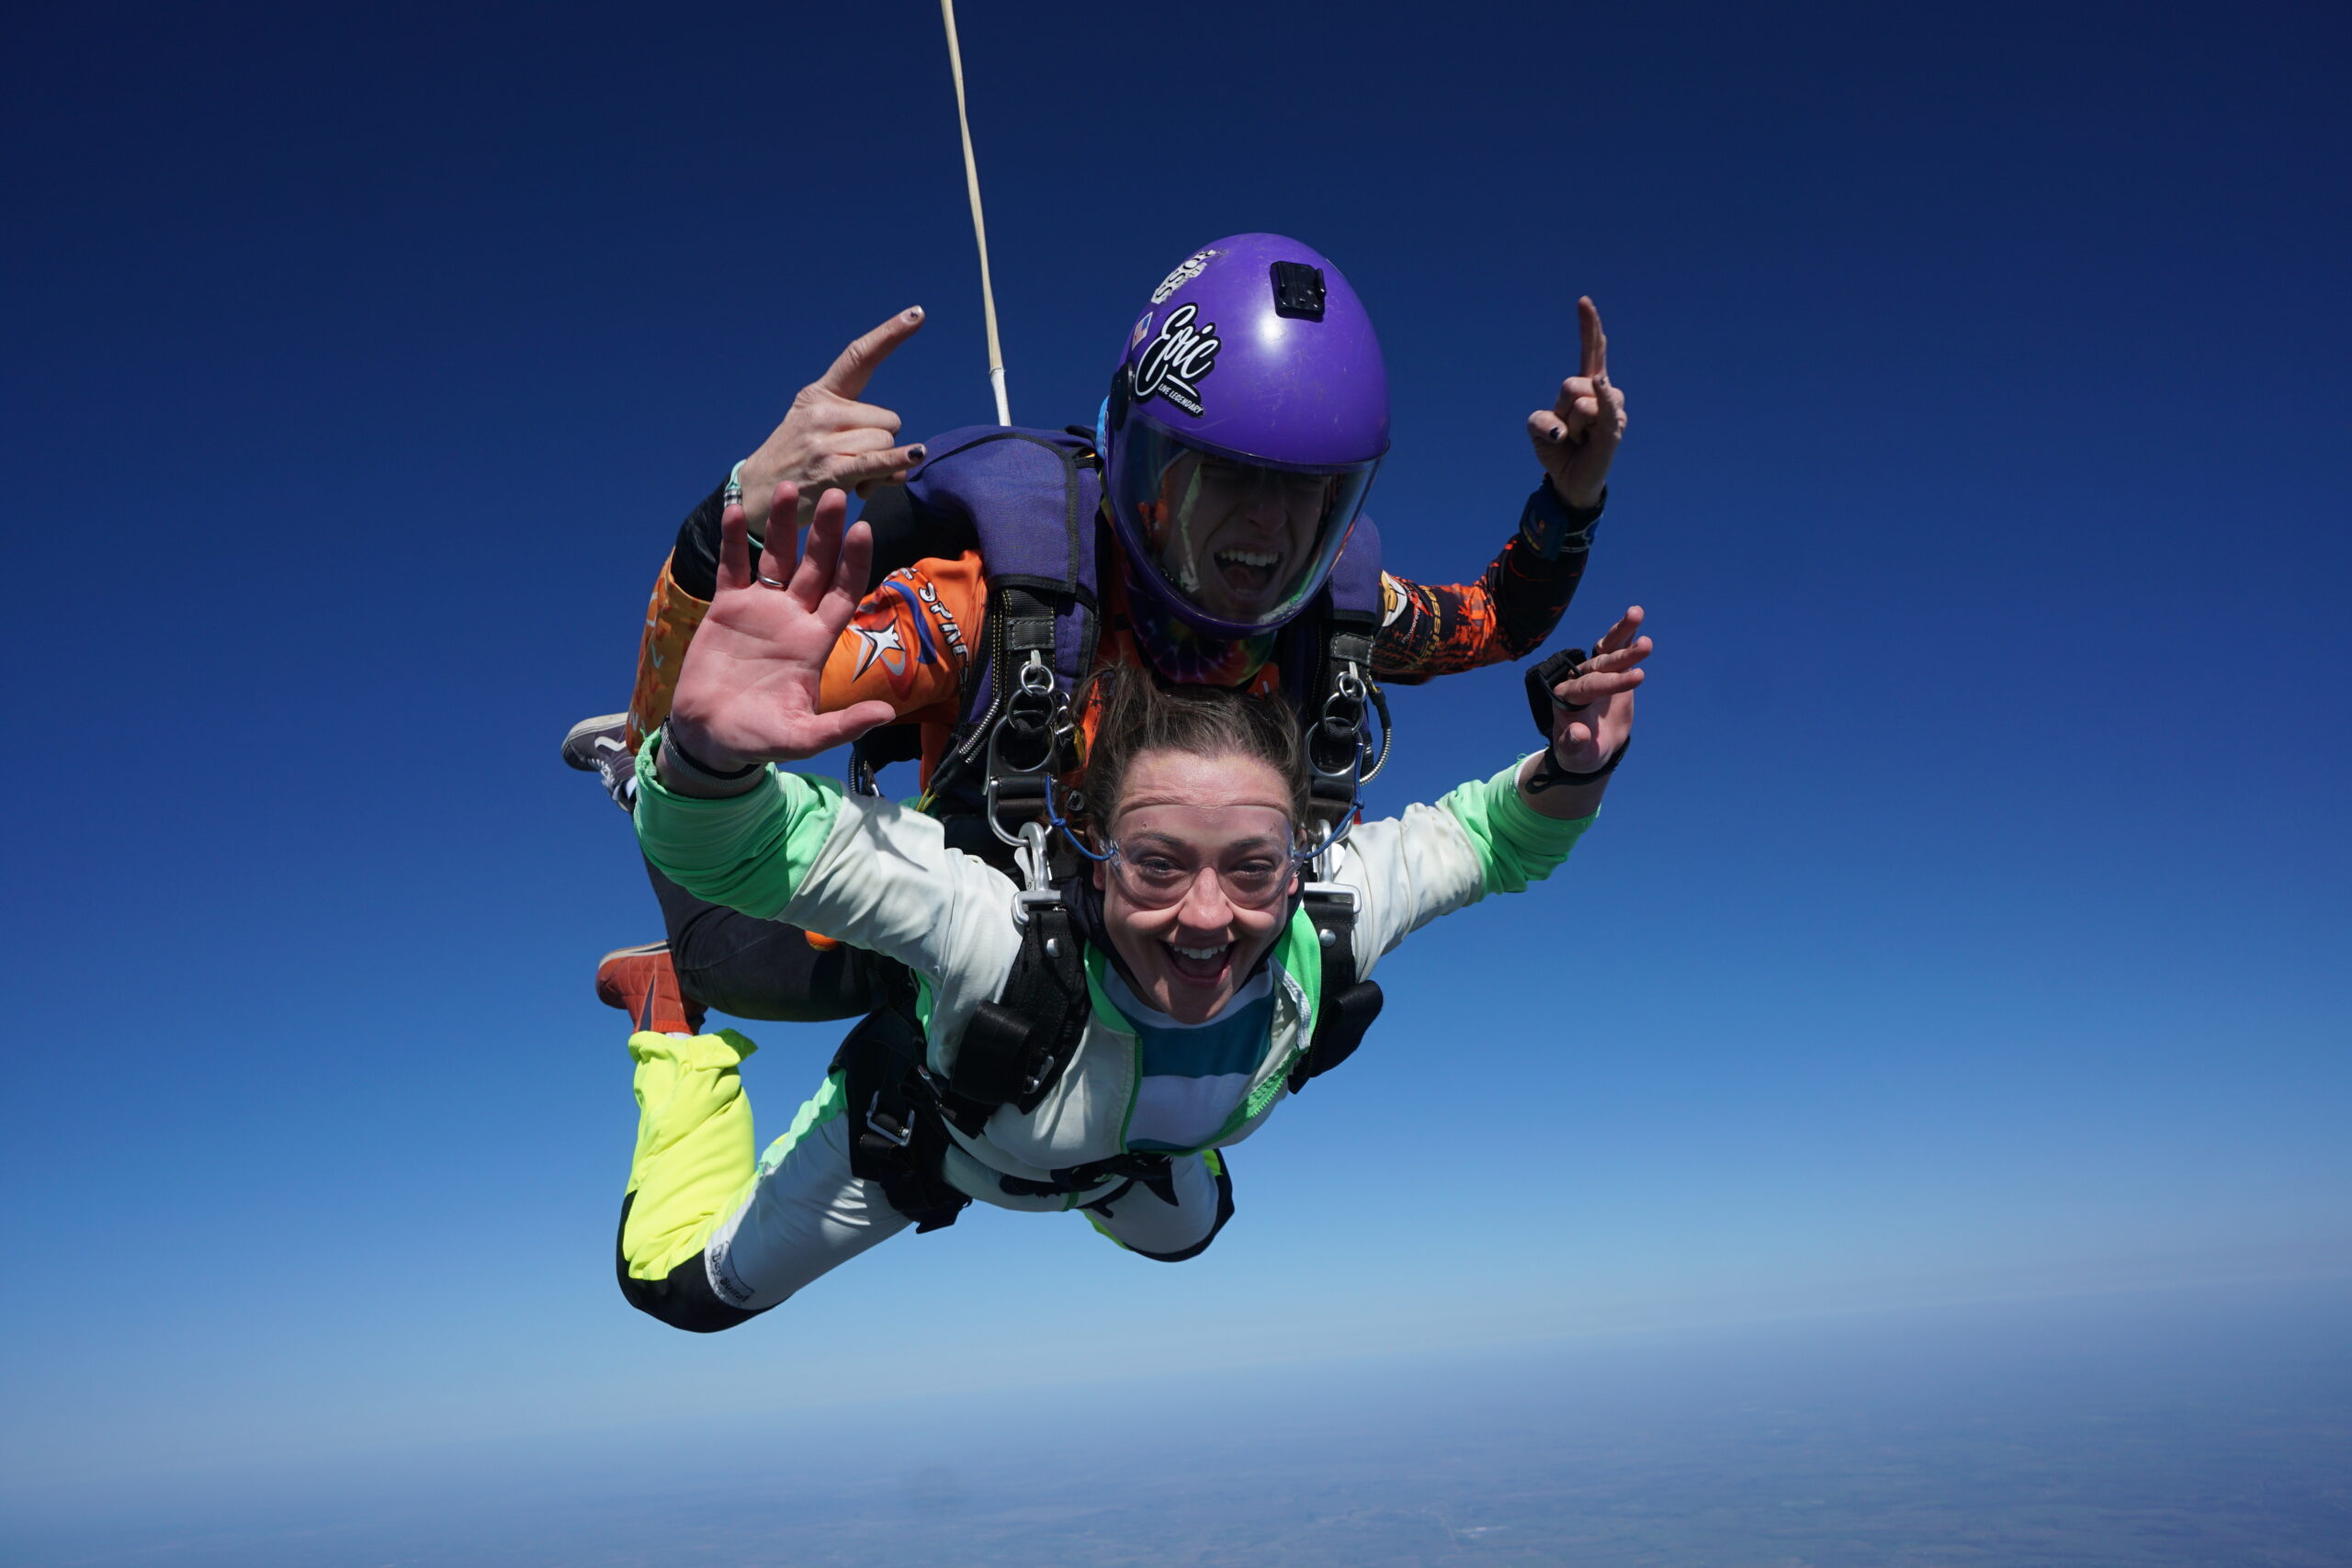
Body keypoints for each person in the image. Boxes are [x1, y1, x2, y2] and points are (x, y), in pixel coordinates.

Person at [610, 480, 1650, 1330]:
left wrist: (1578, 768)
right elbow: (744, 849)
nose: (1207, 917)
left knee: (1197, 1232)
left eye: (1251, 868)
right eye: (1158, 865)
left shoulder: (1326, 913)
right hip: (930, 1141)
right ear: (1091, 856)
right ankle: (670, 1025)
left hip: (1124, 1161)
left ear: (1298, 860)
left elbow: (1491, 840)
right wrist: (705, 758)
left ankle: (1115, 1156)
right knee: (683, 1289)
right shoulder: (990, 936)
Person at [569, 234, 1631, 1029]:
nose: (1269, 528)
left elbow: (1495, 624)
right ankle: (641, 851)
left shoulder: (1326, 616)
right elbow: (740, 706)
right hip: (990, 905)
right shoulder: (982, 608)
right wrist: (723, 532)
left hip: (1145, 952)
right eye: (1230, 480)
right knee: (745, 962)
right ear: (1143, 463)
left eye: (1306, 494)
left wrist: (1567, 505)